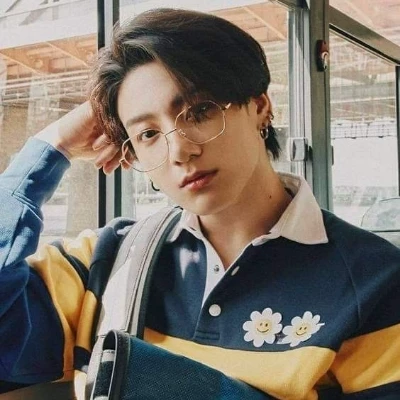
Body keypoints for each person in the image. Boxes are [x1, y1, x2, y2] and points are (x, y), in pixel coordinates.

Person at [0, 7, 400, 400]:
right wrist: (51, 146)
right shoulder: (106, 261)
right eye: (148, 134)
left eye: (199, 111)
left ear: (260, 107)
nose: (180, 151)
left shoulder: (374, 281)